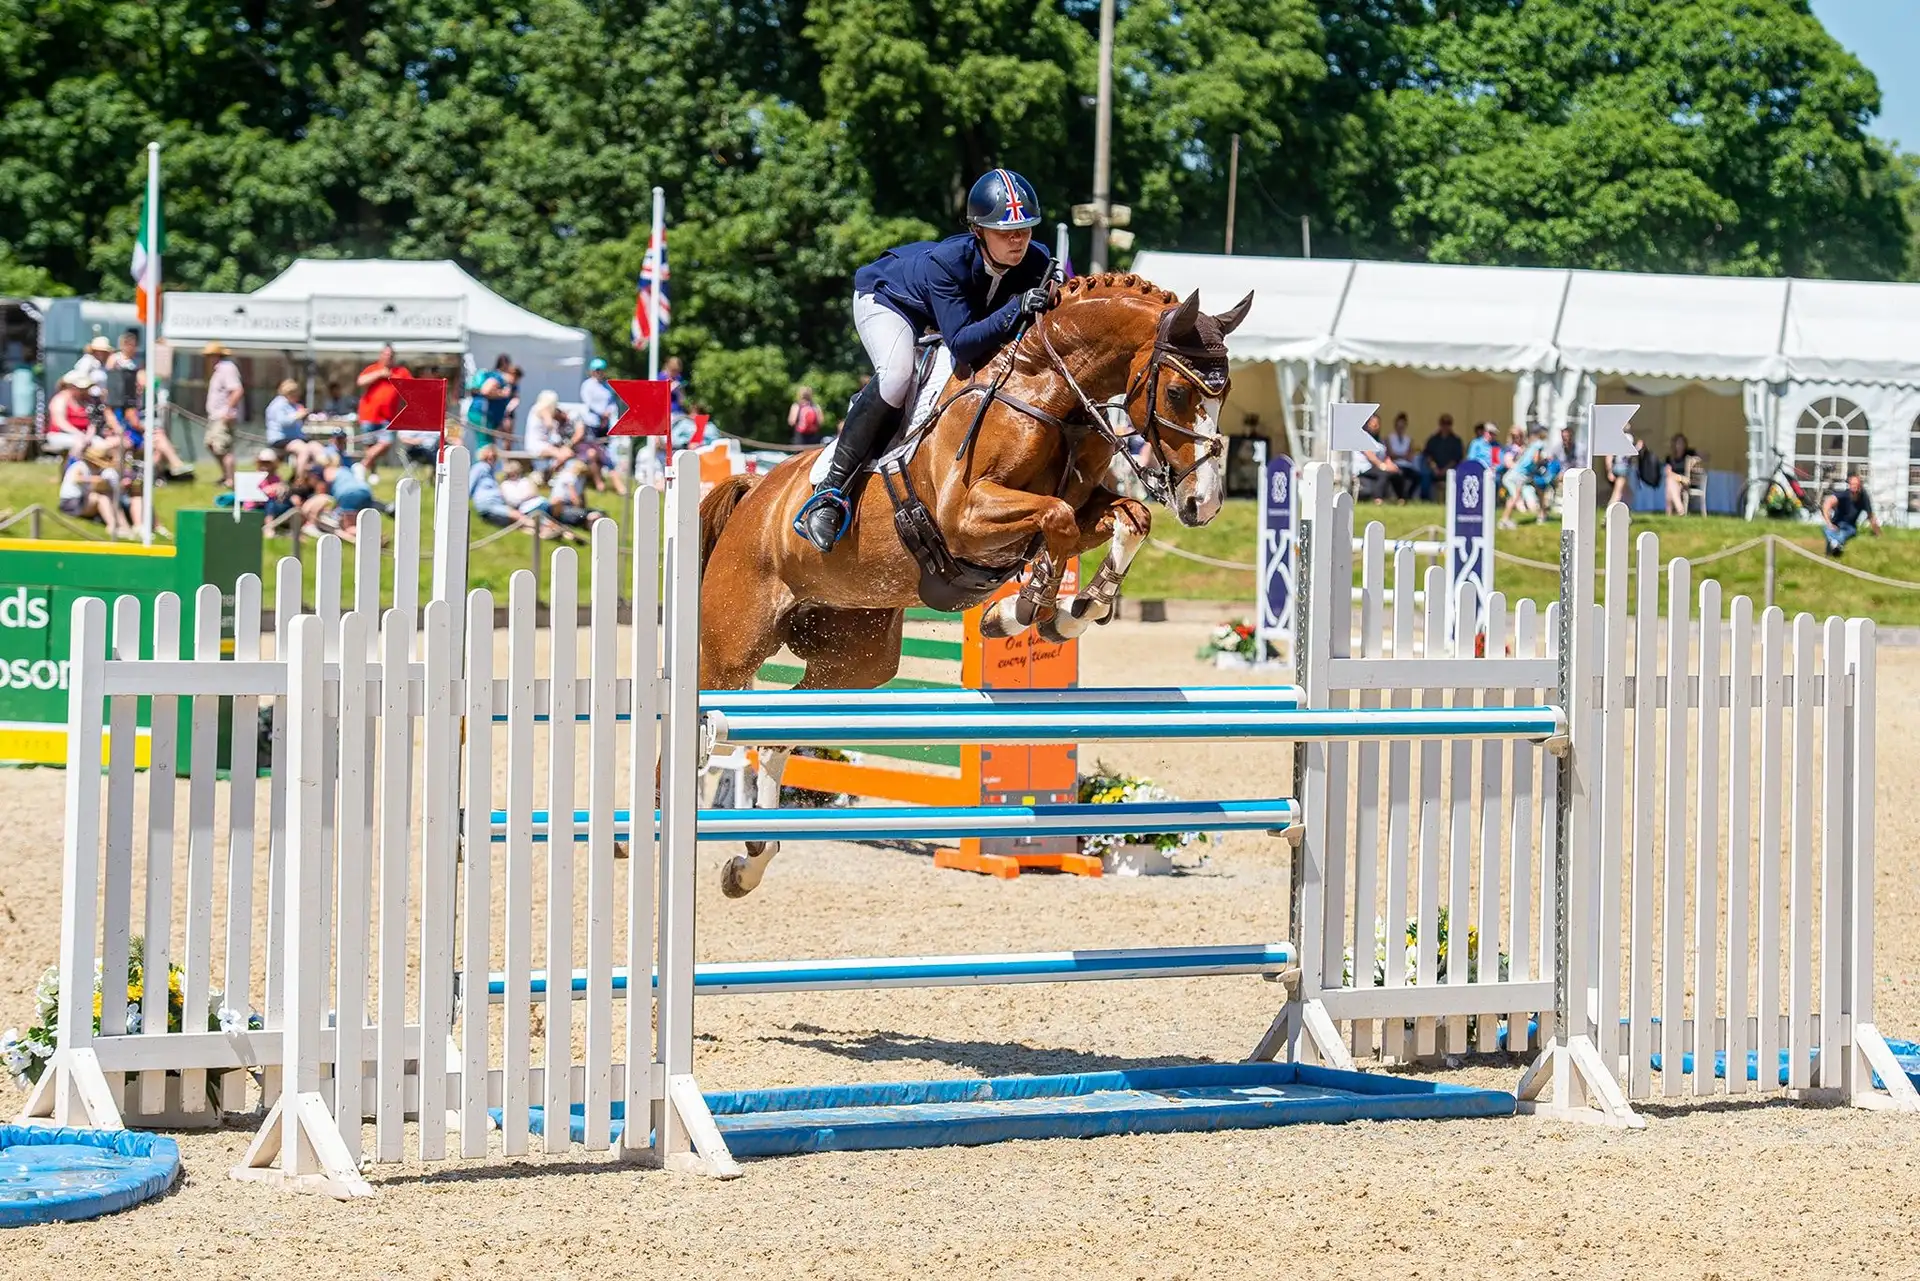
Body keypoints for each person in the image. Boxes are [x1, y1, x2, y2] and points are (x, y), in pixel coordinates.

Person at [794, 167, 1053, 551]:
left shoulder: (1038, 260)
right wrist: (1017, 308)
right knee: (898, 376)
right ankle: (831, 491)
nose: (1018, 240)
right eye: (1005, 232)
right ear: (979, 231)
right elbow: (964, 344)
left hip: (946, 317)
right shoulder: (947, 263)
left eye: (1025, 229)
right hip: (890, 301)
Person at [354, 343, 409, 481]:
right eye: (385, 355)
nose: (387, 358)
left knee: (386, 442)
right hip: (368, 414)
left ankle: (362, 465)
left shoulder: (400, 371)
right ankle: (372, 473)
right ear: (381, 355)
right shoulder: (373, 369)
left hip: (387, 416)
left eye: (390, 355)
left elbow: (411, 387)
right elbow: (360, 381)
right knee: (369, 445)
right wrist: (379, 374)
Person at [58, 442, 131, 537]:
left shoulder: (94, 470)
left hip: (84, 500)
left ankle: (125, 526)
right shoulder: (79, 466)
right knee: (101, 498)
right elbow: (76, 478)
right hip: (71, 503)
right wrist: (96, 479)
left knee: (110, 496)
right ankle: (112, 526)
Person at [202, 342, 243, 486]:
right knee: (211, 444)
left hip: (223, 415)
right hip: (215, 415)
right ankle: (226, 475)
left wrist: (228, 410)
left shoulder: (227, 368)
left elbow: (237, 390)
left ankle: (230, 479)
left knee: (223, 448)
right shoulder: (218, 370)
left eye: (211, 355)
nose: (209, 358)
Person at [1822, 473, 1880, 558]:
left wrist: (1877, 532)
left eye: (1856, 485)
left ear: (1860, 486)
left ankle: (1834, 543)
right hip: (1836, 524)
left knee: (1844, 533)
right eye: (1852, 484)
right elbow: (1827, 503)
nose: (1854, 487)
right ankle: (1836, 545)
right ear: (1849, 485)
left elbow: (1870, 516)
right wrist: (1829, 522)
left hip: (1850, 526)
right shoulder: (1844, 495)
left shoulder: (1864, 498)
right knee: (1827, 529)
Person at [468, 352, 516, 452]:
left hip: (484, 415)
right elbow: (485, 390)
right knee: (485, 445)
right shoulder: (498, 377)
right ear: (505, 365)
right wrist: (502, 394)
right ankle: (483, 466)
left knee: (488, 443)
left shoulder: (496, 376)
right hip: (482, 413)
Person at [44, 369, 95, 457]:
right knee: (80, 444)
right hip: (60, 435)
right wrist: (79, 434)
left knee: (104, 444)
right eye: (80, 388)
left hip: (85, 436)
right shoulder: (60, 399)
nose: (84, 390)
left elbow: (93, 422)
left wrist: (88, 435)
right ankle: (72, 467)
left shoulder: (89, 401)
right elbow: (60, 422)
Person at [1418, 414, 1464, 498]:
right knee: (1425, 475)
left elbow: (1457, 458)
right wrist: (1434, 468)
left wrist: (1445, 470)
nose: (1445, 426)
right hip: (1434, 469)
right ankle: (1425, 500)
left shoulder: (1456, 441)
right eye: (1443, 424)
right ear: (1440, 425)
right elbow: (1427, 455)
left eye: (1448, 424)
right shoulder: (1433, 439)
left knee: (1458, 475)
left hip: (1450, 469)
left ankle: (1454, 501)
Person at [265, 379, 310, 451]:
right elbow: (283, 422)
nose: (298, 397)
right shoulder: (278, 404)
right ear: (289, 393)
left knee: (315, 447)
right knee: (304, 450)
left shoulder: (293, 405)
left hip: (296, 438)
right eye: (296, 395)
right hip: (280, 439)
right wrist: (297, 416)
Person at [1382, 412, 1417, 501]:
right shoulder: (1389, 438)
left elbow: (1410, 456)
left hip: (1406, 465)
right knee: (1400, 475)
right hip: (1395, 465)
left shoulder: (1408, 439)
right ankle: (1401, 497)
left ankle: (1408, 496)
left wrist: (1398, 455)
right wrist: (1402, 455)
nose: (1400, 428)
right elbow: (1390, 454)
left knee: (1417, 477)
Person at [1662, 432, 1700, 515]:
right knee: (1670, 483)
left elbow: (1704, 457)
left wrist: (1695, 460)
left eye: (1682, 443)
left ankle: (1669, 513)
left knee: (1669, 484)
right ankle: (1680, 510)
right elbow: (1668, 472)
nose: (1680, 445)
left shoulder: (1689, 453)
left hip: (1688, 481)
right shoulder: (1670, 457)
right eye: (1678, 442)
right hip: (1679, 480)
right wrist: (1680, 478)